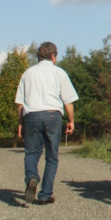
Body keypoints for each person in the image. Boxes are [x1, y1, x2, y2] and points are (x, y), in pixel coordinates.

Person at [15, 42, 78, 205]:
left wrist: (21, 123)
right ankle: (45, 194)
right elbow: (68, 101)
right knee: (51, 157)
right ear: (52, 56)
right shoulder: (59, 73)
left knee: (31, 153)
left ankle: (32, 176)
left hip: (32, 116)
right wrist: (71, 121)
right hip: (52, 115)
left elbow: (20, 103)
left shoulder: (28, 73)